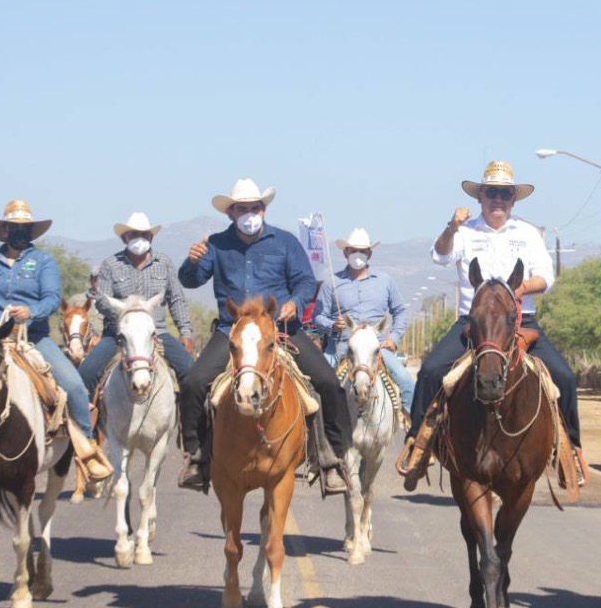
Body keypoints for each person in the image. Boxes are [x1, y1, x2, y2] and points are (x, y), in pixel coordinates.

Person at [400, 160, 584, 480]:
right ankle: (419, 443)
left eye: (504, 194)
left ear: (513, 199)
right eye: (491, 193)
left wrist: (520, 288)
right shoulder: (465, 232)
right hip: (474, 324)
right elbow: (440, 256)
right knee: (430, 371)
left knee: (564, 379)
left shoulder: (527, 233)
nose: (497, 200)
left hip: (521, 321)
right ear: (480, 197)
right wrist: (451, 226)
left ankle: (571, 453)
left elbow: (546, 278)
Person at [176, 179, 352, 494]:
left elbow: (304, 282)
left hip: (280, 330)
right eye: (241, 209)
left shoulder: (284, 242)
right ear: (230, 213)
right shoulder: (215, 245)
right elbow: (191, 281)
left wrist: (294, 304)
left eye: (254, 207)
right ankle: (196, 457)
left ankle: (334, 459)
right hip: (233, 330)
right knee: (192, 383)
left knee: (328, 382)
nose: (249, 213)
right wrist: (191, 262)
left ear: (264, 209)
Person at [0, 200, 112, 482]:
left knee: (74, 386)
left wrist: (31, 311)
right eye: (14, 227)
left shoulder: (44, 262)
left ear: (32, 232)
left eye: (24, 228)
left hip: (33, 337)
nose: (19, 232)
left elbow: (51, 299)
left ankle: (87, 449)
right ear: (4, 230)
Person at [78, 212, 197, 400]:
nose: (139, 239)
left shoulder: (164, 263)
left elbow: (177, 299)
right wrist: (128, 313)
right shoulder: (111, 264)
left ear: (151, 236)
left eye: (144, 234)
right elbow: (101, 300)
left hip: (157, 332)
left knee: (191, 373)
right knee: (86, 373)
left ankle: (188, 425)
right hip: (117, 334)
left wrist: (185, 332)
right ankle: (86, 425)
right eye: (134, 234)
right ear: (124, 237)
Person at [312, 227, 414, 413]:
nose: (357, 254)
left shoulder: (385, 281)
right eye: (353, 250)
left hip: (377, 350)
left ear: (370, 254)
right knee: (315, 387)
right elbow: (318, 316)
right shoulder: (332, 283)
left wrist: (394, 337)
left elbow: (400, 311)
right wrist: (332, 325)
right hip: (340, 348)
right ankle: (317, 435)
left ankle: (409, 430)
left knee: (407, 384)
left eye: (362, 251)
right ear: (345, 252)